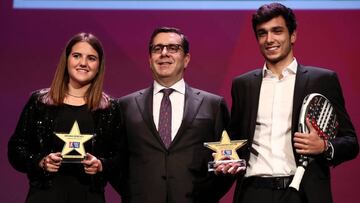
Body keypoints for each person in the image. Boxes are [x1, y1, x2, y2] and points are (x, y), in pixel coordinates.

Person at [215, 3, 359, 203]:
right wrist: (226, 158)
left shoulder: (322, 80)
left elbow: (351, 143)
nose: (269, 39)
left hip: (303, 193)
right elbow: (235, 141)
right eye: (262, 33)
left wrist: (324, 146)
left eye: (277, 31)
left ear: (292, 36)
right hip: (253, 193)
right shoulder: (243, 85)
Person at [115, 26, 234, 203]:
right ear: (150, 59)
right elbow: (116, 164)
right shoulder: (125, 105)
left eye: (173, 48)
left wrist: (206, 197)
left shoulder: (213, 105)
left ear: (186, 59)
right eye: (157, 48)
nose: (164, 53)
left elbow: (229, 163)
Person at [8, 32, 123, 203]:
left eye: (91, 58)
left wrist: (101, 165)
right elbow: (16, 149)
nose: (83, 63)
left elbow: (120, 157)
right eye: (77, 56)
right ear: (66, 60)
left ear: (99, 65)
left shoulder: (110, 108)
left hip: (89, 196)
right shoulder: (39, 102)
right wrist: (40, 162)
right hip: (44, 195)